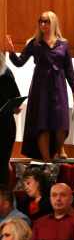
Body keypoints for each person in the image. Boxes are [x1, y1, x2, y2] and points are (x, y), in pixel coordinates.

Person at [5, 11, 74, 161]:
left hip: (58, 84)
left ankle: (59, 149)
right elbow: (19, 62)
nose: (43, 24)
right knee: (42, 122)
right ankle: (47, 160)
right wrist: (12, 52)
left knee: (60, 119)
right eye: (41, 21)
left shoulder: (64, 43)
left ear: (54, 23)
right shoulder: (34, 43)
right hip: (41, 85)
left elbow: (68, 68)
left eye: (46, 21)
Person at [0, 53, 21, 185]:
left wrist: (15, 107)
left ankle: (4, 193)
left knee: (2, 163)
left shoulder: (7, 75)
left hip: (5, 127)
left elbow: (16, 97)